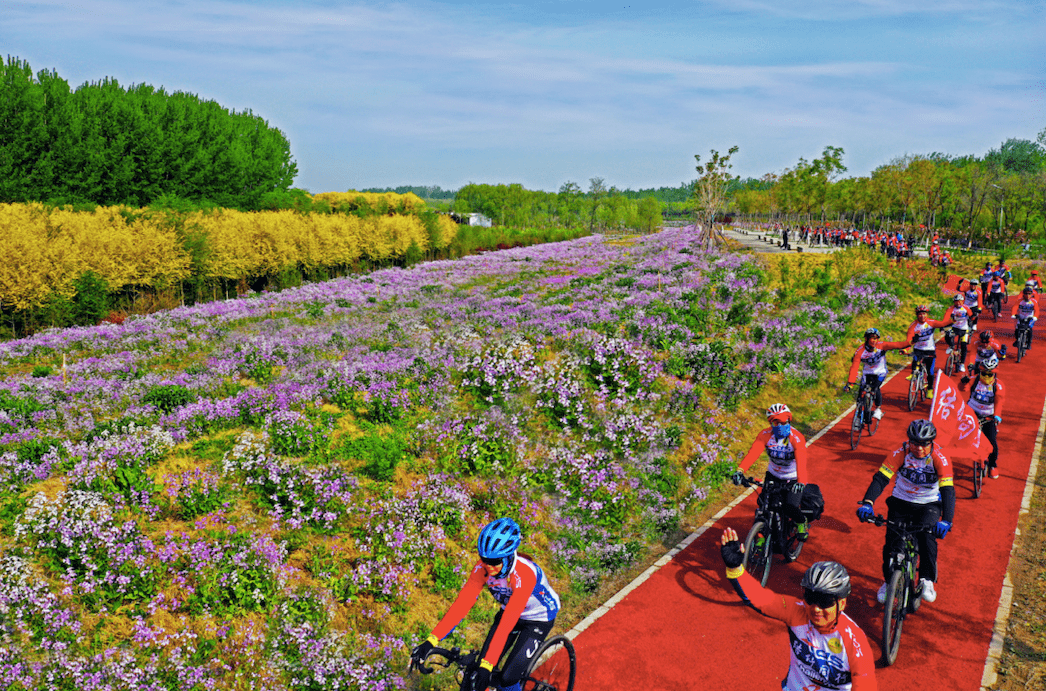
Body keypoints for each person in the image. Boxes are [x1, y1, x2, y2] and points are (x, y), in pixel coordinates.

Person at [411, 518, 561, 691]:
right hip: (509, 613)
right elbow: (461, 605)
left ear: (509, 555)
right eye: (484, 559)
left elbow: (506, 625)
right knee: (479, 671)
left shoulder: (524, 574)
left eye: (495, 561)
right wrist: (431, 641)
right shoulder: (482, 568)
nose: (489, 567)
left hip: (538, 618)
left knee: (508, 678)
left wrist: (487, 665)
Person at [719, 528, 877, 690]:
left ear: (842, 604)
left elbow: (865, 684)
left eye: (825, 601)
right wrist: (735, 569)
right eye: (810, 598)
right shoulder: (797, 611)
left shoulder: (854, 639)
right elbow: (761, 599)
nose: (815, 608)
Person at [857, 419, 955, 605]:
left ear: (931, 443)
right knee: (892, 544)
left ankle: (927, 579)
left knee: (927, 537)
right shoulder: (900, 452)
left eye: (924, 444)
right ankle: (888, 582)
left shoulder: (940, 457)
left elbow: (948, 490)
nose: (919, 448)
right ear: (909, 441)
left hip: (929, 504)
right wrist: (867, 503)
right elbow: (881, 479)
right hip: (901, 501)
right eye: (915, 443)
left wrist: (947, 520)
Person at [732, 403, 823, 541]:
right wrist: (740, 470)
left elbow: (801, 463)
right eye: (775, 422)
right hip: (773, 475)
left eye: (783, 421)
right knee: (763, 504)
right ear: (771, 423)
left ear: (789, 420)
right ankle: (761, 537)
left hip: (792, 478)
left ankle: (801, 522)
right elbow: (753, 453)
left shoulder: (796, 438)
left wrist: (801, 482)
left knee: (790, 506)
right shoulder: (765, 435)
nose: (780, 425)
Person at [844, 327, 909, 420]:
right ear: (866, 339)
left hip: (880, 372)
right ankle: (858, 417)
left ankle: (878, 409)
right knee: (860, 395)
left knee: (875, 388)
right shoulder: (860, 351)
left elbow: (897, 344)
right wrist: (850, 383)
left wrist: (910, 342)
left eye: (876, 338)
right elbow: (854, 367)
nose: (874, 341)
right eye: (872, 338)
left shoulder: (882, 345)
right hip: (867, 373)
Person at [964, 353, 1005, 479]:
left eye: (989, 374)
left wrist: (997, 416)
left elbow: (999, 402)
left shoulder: (998, 386)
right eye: (984, 374)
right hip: (972, 413)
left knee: (992, 442)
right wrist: (963, 382)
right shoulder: (974, 380)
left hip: (989, 416)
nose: (986, 376)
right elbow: (963, 389)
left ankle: (992, 465)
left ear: (994, 374)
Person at [905, 304, 953, 398]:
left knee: (930, 372)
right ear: (917, 315)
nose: (922, 316)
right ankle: (914, 373)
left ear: (926, 314)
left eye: (924, 313)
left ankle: (930, 390)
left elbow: (942, 324)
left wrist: (953, 320)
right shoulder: (913, 326)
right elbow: (908, 340)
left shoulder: (931, 322)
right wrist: (905, 349)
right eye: (920, 314)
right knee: (915, 362)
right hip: (918, 349)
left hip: (930, 350)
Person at [943, 293, 974, 372]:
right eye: (956, 301)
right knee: (947, 334)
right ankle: (951, 347)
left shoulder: (966, 308)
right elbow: (946, 318)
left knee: (964, 345)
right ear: (954, 302)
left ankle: (962, 364)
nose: (958, 303)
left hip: (964, 329)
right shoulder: (951, 309)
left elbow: (972, 316)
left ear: (963, 301)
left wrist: (973, 317)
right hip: (955, 328)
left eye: (960, 301)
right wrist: (942, 326)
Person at [1011, 285, 1040, 350]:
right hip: (1021, 316)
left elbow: (1037, 310)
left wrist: (1035, 317)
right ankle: (1017, 340)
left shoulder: (1034, 301)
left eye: (1029, 293)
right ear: (1023, 294)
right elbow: (1015, 307)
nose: (1028, 295)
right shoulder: (1020, 301)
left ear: (1031, 294)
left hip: (1030, 317)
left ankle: (1029, 344)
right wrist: (1013, 314)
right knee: (1017, 329)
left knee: (1029, 329)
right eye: (1026, 293)